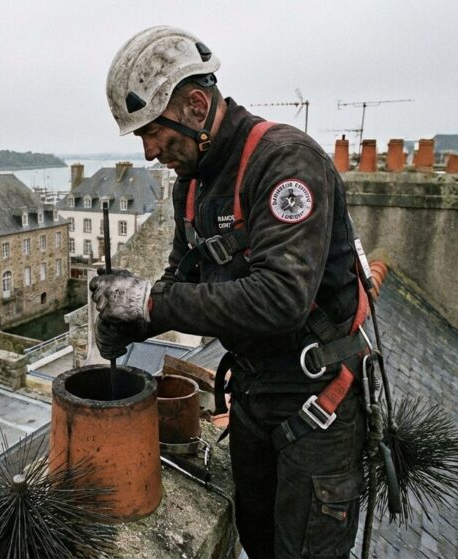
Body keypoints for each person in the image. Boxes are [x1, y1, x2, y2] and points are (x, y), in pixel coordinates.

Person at [92, 26, 368, 558]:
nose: (149, 152)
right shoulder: (192, 183)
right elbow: (181, 283)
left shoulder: (286, 164)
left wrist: (147, 299)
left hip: (316, 400)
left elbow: (282, 299)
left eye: (154, 133)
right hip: (252, 395)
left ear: (197, 106)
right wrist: (127, 316)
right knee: (256, 541)